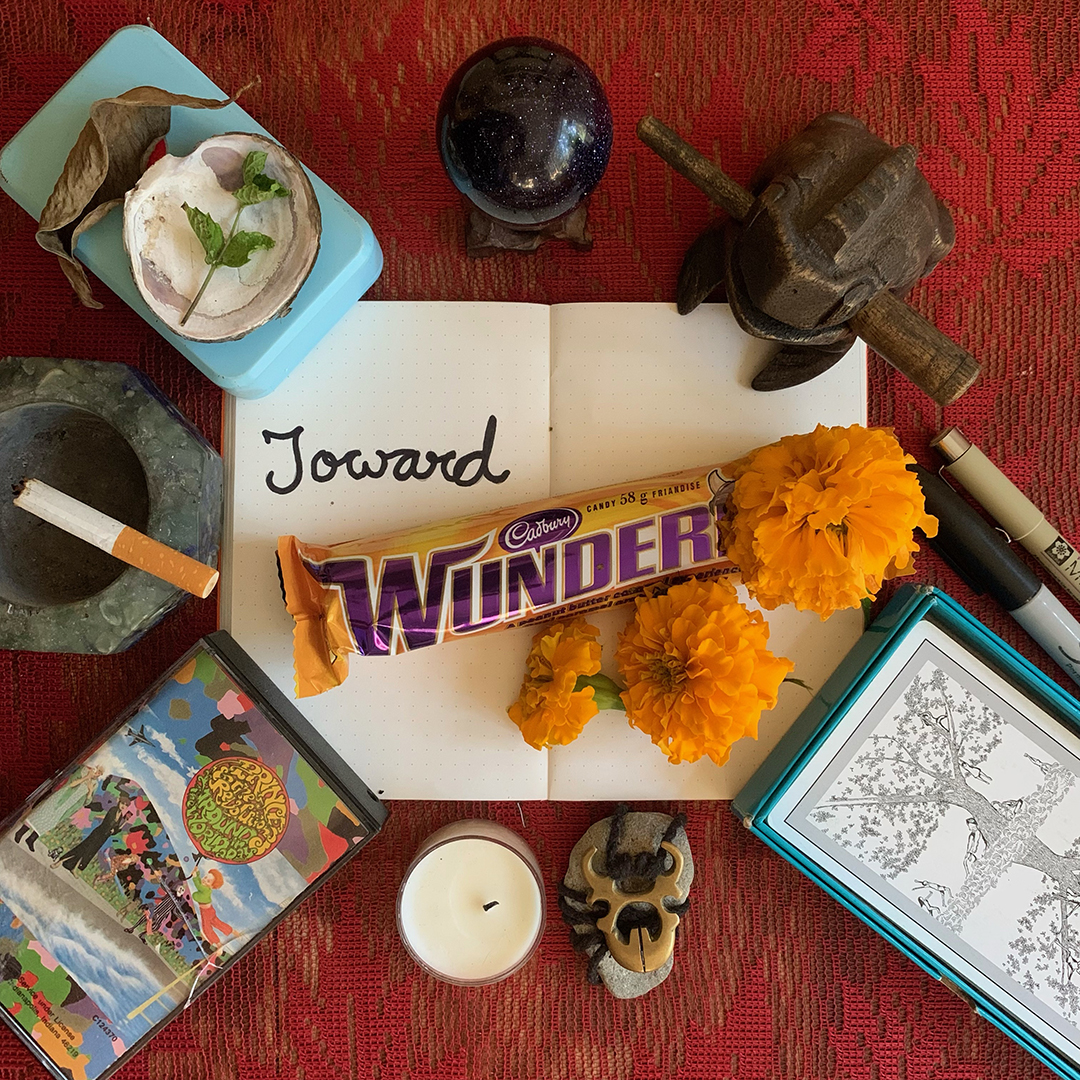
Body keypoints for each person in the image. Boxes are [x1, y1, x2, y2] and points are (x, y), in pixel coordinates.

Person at [53, 793, 134, 874]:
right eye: (122, 803)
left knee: (89, 852)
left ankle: (74, 868)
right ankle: (60, 861)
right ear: (119, 802)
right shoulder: (113, 810)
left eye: (126, 805)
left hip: (103, 837)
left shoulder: (120, 816)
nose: (123, 806)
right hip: (99, 833)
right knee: (83, 847)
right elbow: (107, 823)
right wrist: (111, 830)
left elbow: (115, 831)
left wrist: (124, 822)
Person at [190, 868, 233, 947]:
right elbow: (200, 882)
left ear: (212, 886)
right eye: (205, 877)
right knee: (217, 923)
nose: (204, 880)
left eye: (208, 881)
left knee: (206, 928)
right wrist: (197, 872)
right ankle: (232, 931)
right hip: (209, 910)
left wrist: (195, 876)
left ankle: (217, 943)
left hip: (206, 911)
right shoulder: (205, 888)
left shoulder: (206, 890)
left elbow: (198, 885)